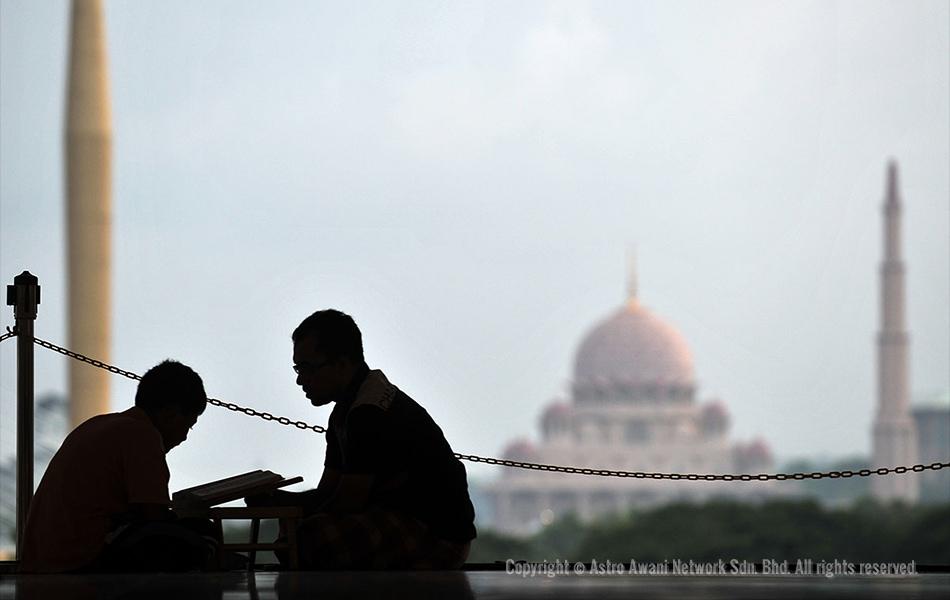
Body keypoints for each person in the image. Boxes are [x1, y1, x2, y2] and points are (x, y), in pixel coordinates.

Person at [250, 309, 476, 569]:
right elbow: (329, 493)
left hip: (437, 537)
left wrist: (286, 504)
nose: (301, 380)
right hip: (402, 521)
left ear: (342, 364)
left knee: (311, 537)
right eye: (298, 369)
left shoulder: (366, 413)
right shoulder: (348, 411)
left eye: (308, 368)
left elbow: (346, 502)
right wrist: (281, 501)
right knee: (297, 530)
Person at [19, 360, 215, 573]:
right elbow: (152, 515)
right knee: (200, 533)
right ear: (170, 415)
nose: (185, 437)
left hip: (42, 561)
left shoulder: (98, 425)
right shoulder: (142, 436)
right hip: (79, 561)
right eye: (188, 426)